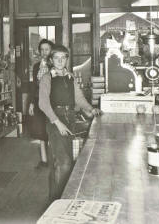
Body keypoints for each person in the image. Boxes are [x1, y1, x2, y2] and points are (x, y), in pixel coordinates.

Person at [39, 44, 102, 202]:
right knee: (64, 163)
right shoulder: (47, 78)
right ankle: (60, 201)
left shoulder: (70, 77)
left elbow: (79, 98)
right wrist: (58, 123)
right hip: (55, 120)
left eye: (63, 58)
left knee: (61, 162)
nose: (60, 61)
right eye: (56, 58)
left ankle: (54, 199)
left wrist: (91, 109)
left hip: (70, 118)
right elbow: (43, 104)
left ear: (67, 59)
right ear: (51, 60)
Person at [29, 39, 54, 167]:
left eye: (47, 49)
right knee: (41, 130)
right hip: (39, 102)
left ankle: (55, 159)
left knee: (52, 130)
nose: (44, 52)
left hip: (52, 103)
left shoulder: (56, 65)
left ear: (51, 51)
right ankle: (44, 160)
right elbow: (33, 86)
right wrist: (32, 103)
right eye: (42, 49)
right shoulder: (36, 67)